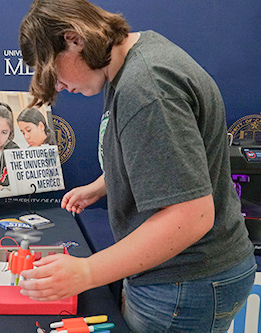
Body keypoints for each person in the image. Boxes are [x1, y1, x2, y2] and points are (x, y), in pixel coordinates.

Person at [17, 1, 255, 332]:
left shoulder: (145, 88)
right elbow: (166, 160)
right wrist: (103, 184)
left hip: (186, 280)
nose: (58, 86)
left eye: (54, 73)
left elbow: (191, 217)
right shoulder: (128, 62)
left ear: (74, 40)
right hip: (183, 275)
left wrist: (86, 273)